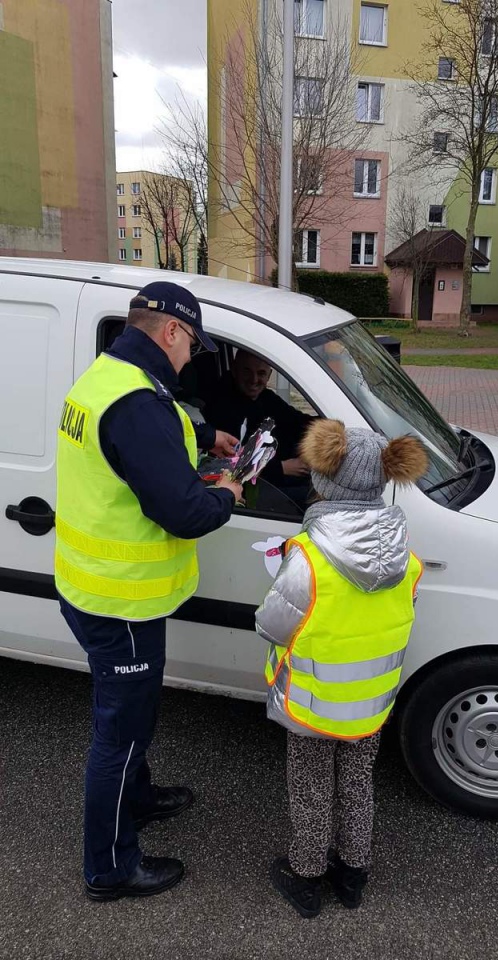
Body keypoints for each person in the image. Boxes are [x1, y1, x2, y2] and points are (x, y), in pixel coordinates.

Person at [55, 281, 243, 902]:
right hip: (122, 602)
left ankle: (138, 797)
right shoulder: (136, 402)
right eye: (192, 344)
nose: (191, 357)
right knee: (121, 732)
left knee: (132, 720)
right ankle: (109, 868)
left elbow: (146, 443)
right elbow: (185, 512)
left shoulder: (106, 376)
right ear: (171, 332)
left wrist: (205, 433)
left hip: (94, 590)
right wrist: (227, 495)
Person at [255, 420, 428, 919]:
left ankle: (306, 879)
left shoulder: (308, 557)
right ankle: (353, 876)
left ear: (323, 480)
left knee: (311, 789)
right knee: (357, 785)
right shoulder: (406, 559)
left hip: (313, 703)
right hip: (371, 704)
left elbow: (272, 626)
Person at [204, 350, 314, 495]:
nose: (254, 379)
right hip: (248, 489)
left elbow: (297, 421)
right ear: (235, 369)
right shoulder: (221, 406)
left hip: (277, 475)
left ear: (269, 375)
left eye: (261, 373)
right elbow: (233, 460)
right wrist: (282, 468)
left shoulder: (266, 398)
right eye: (247, 371)